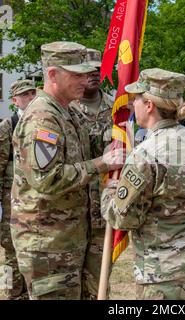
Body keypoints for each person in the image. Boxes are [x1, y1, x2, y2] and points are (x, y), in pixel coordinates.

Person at [101, 68, 185, 300]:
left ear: (150, 105)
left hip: (167, 274)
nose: (133, 106)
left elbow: (123, 218)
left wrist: (108, 193)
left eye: (136, 100)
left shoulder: (145, 155)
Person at [10, 41, 124, 300]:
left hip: (68, 238)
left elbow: (82, 154)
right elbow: (47, 180)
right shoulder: (43, 118)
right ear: (53, 74)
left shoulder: (66, 112)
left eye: (86, 74)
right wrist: (102, 163)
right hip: (48, 244)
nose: (85, 80)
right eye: (77, 74)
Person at [69, 48, 113, 300]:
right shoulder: (65, 109)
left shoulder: (117, 107)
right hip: (70, 211)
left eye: (98, 69)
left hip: (103, 209)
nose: (95, 74)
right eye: (89, 70)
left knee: (99, 284)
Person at [0, 80, 36, 299]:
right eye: (25, 95)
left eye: (33, 93)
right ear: (15, 101)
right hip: (10, 199)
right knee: (10, 251)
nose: (31, 98)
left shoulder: (42, 122)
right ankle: (10, 292)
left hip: (34, 200)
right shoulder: (8, 125)